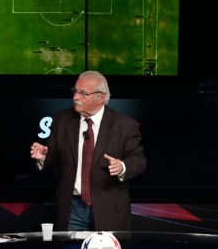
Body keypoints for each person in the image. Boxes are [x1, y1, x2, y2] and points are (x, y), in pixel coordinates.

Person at [29, 70, 147, 231]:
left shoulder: (125, 124)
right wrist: (44, 156)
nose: (75, 97)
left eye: (83, 93)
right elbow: (54, 155)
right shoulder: (62, 120)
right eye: (75, 91)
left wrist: (122, 167)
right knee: (71, 248)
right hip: (73, 208)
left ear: (100, 98)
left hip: (109, 208)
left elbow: (139, 159)